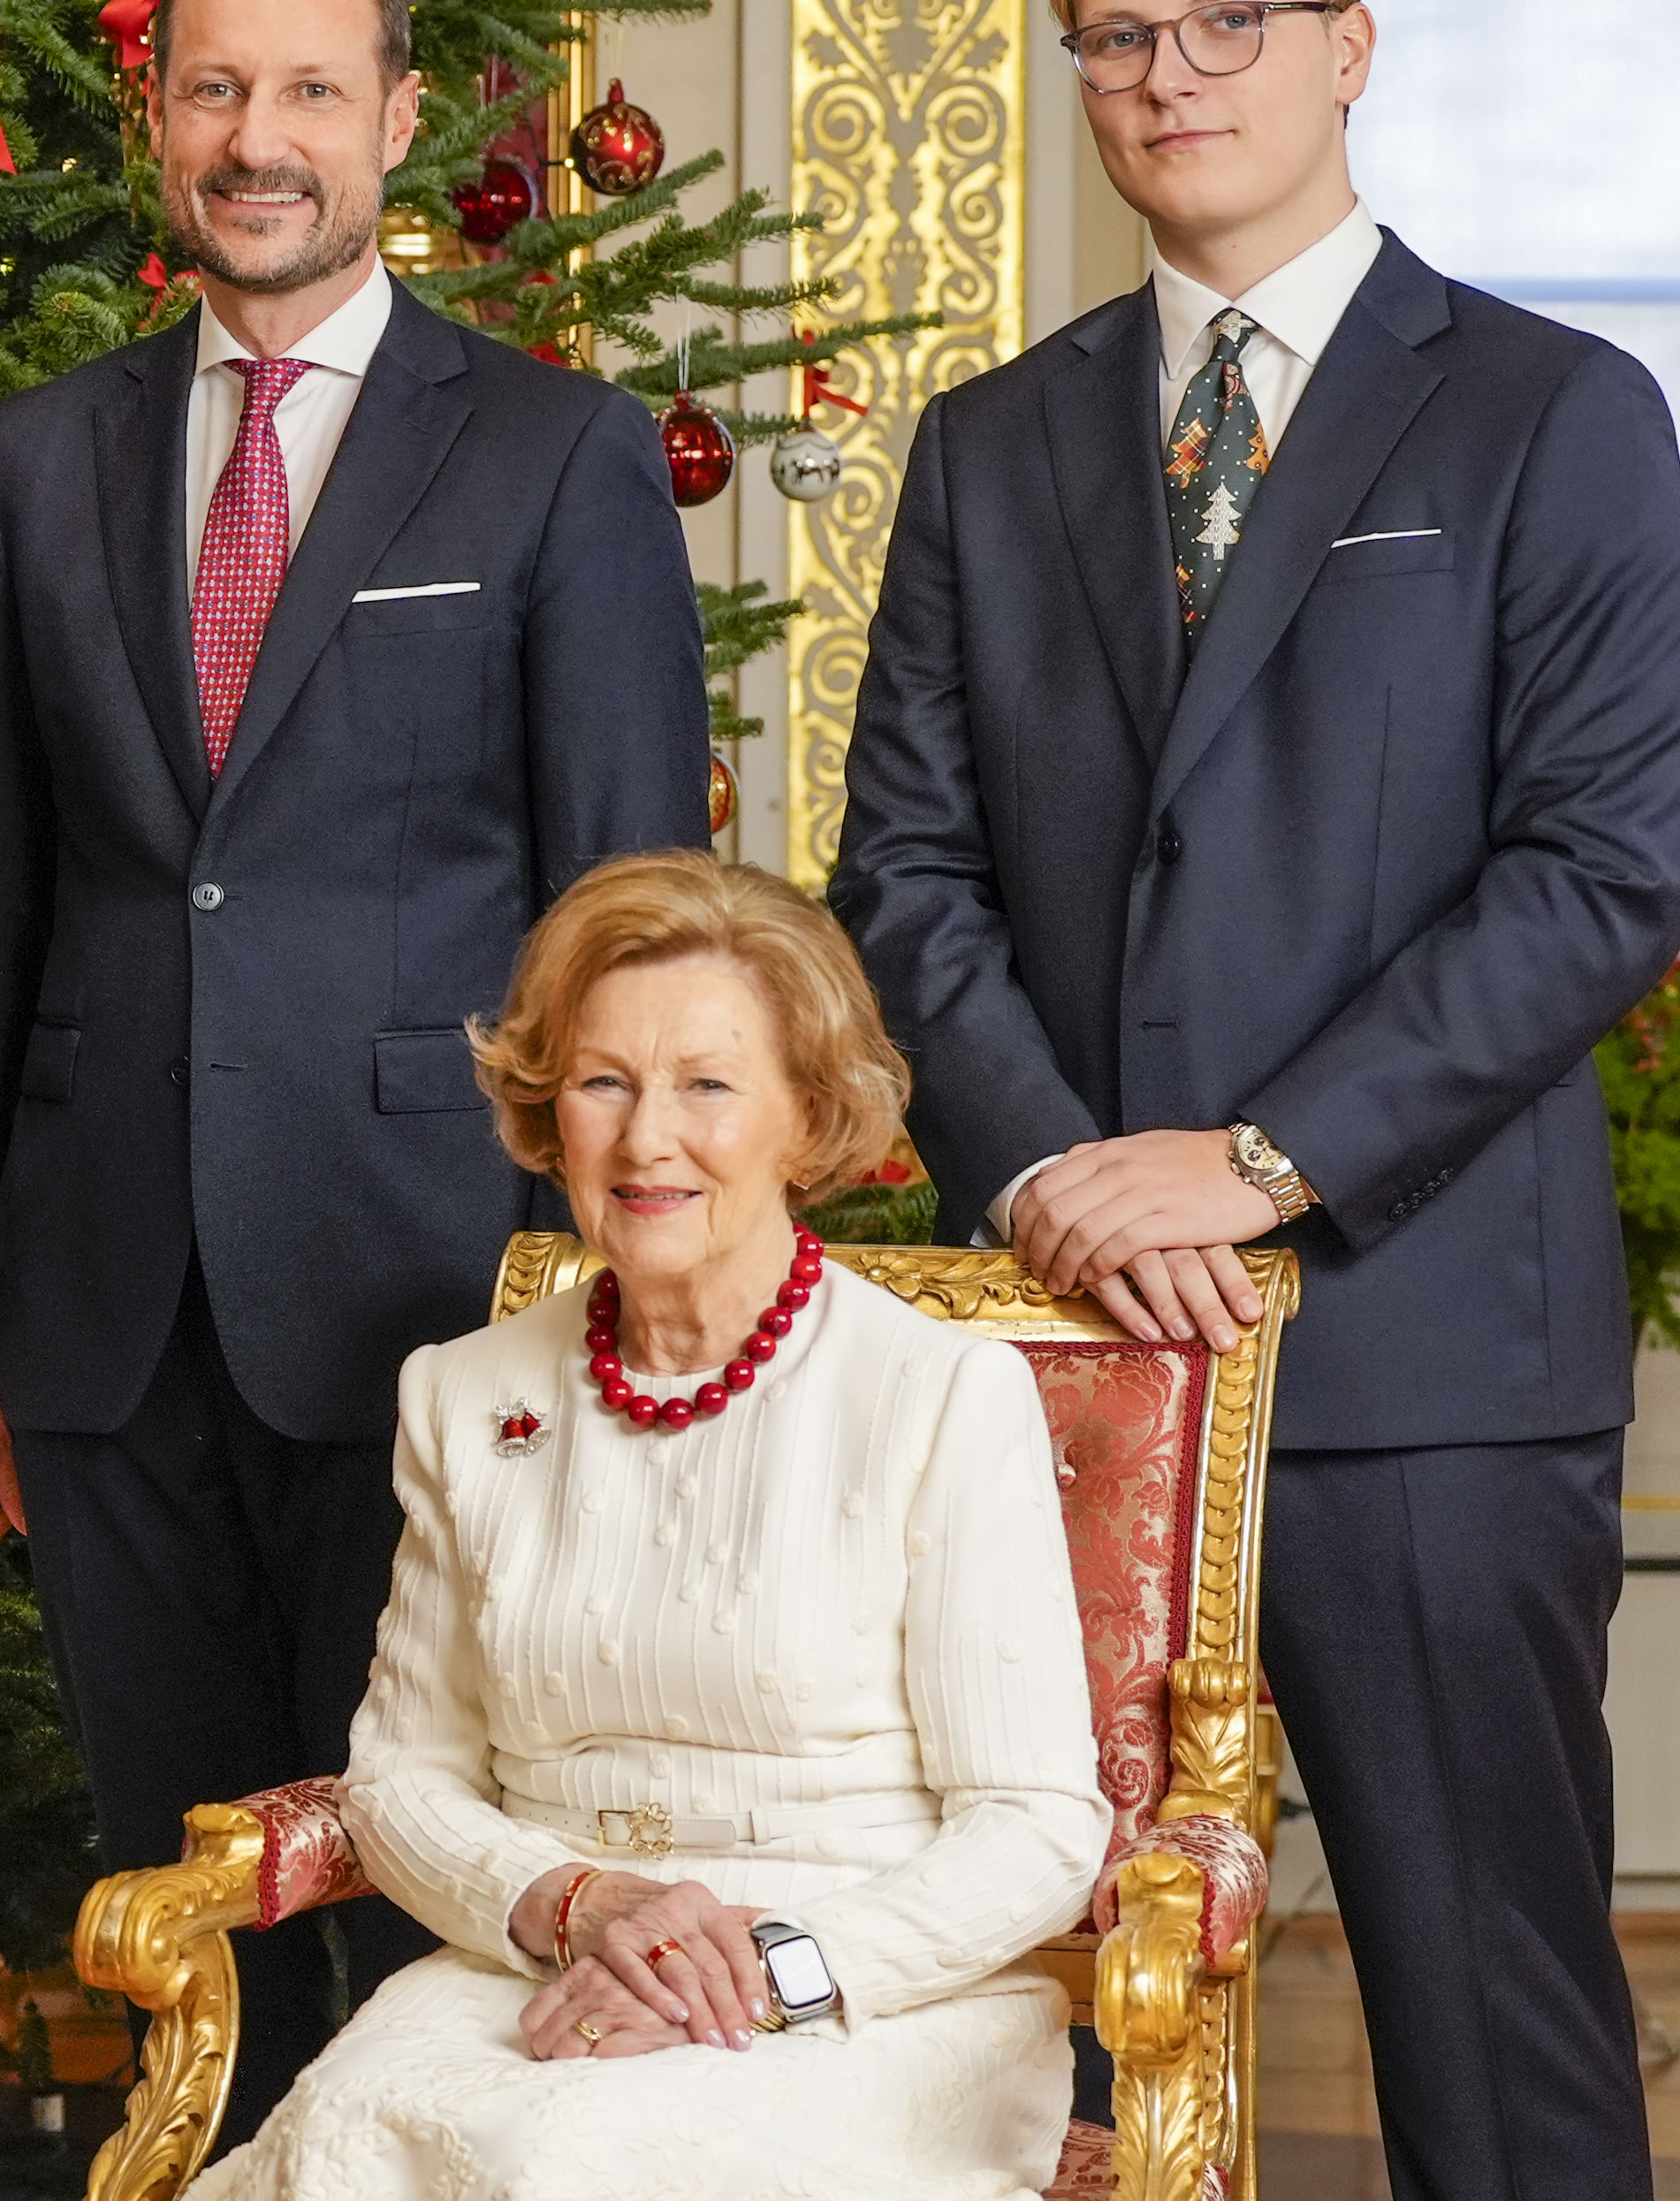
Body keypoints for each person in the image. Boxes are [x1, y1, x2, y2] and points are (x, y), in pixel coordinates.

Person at [829, 0, 1680, 2201]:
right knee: (1043, 2040)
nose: (1171, 72)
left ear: (1349, 43)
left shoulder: (1551, 411)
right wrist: (1048, 1182)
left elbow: (1596, 874)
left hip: (1417, 1347)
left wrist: (1257, 1162)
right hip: (1060, 1349)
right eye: (1119, 33)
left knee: (1489, 2010)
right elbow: (900, 872)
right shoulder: (994, 441)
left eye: (1228, 19)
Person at [0, 0, 714, 2131]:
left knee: (434, 1890)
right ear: (158, 122)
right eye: (213, 91)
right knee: (181, 1890)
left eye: (309, 92)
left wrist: (627, 1291)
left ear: (398, 122)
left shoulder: (551, 453)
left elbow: (629, 926)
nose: (259, 140)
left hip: (439, 1299)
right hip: (100, 1311)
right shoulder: (35, 458)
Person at [195, 850, 1106, 2201]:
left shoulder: (936, 1393)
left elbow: (1035, 1823)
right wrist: (579, 1909)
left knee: (574, 2163)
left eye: (709, 1085)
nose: (646, 1138)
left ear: (809, 1114)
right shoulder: (465, 1392)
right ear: (546, 1107)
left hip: (870, 1996)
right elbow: (398, 1781)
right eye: (603, 1079)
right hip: (548, 1965)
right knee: (337, 2146)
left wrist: (773, 1968)